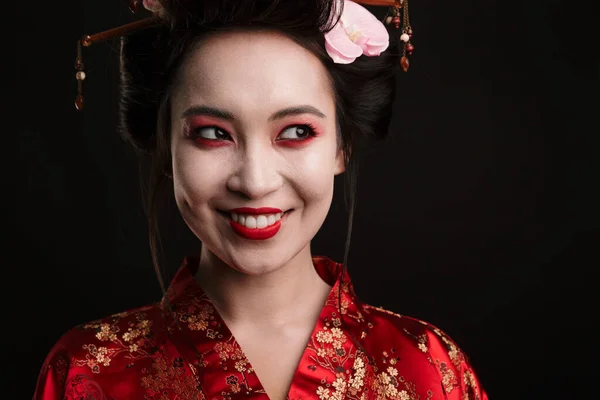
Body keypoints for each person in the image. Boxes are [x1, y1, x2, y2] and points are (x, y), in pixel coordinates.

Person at [34, 0, 488, 399]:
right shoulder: (88, 370)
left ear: (342, 146)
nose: (254, 181)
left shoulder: (429, 370)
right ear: (166, 148)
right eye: (213, 133)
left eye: (295, 132)